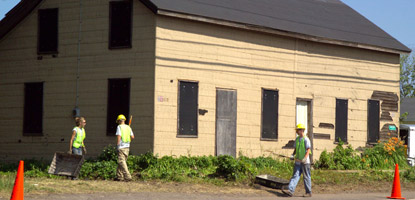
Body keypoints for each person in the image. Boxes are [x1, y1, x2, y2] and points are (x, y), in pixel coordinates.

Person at [282, 123, 312, 197]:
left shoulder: (306, 139)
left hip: (305, 162)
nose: (297, 131)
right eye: (297, 130)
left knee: (306, 176)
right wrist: (293, 155)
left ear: (302, 130)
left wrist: (305, 158)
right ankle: (290, 191)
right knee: (295, 176)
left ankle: (308, 192)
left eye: (298, 130)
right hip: (298, 161)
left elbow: (308, 150)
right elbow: (296, 149)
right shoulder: (297, 139)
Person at [115, 114, 134, 182]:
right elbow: (132, 137)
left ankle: (128, 176)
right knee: (121, 162)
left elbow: (119, 136)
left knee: (122, 162)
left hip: (121, 146)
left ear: (119, 121)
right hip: (127, 147)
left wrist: (117, 145)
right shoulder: (128, 127)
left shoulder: (119, 127)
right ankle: (119, 176)